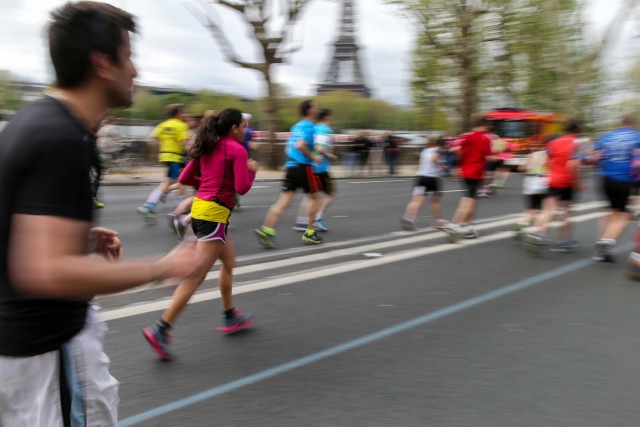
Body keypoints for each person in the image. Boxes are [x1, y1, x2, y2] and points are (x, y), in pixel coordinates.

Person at [0, 3, 198, 425]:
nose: (136, 71)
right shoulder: (62, 138)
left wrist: (77, 239)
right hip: (49, 350)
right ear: (102, 63)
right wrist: (162, 267)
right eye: (128, 57)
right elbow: (47, 273)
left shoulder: (33, 121)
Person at [143, 109, 258, 360]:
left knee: (229, 262)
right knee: (196, 276)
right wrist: (251, 171)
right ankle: (161, 329)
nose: (245, 129)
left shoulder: (208, 145)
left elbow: (185, 177)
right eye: (242, 126)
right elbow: (242, 188)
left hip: (203, 209)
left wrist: (208, 182)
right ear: (234, 129)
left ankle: (230, 315)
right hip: (215, 214)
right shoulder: (238, 150)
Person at [255, 100, 323, 248]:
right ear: (310, 110)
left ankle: (266, 230)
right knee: (316, 199)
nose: (316, 109)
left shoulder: (295, 126)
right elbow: (300, 145)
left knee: (283, 202)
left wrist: (293, 159)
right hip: (304, 167)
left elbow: (288, 147)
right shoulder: (312, 127)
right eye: (315, 107)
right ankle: (310, 233)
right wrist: (314, 157)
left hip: (291, 166)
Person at [523, 120, 583, 253]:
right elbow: (573, 165)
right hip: (567, 181)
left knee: (548, 210)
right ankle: (562, 242)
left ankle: (538, 234)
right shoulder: (575, 143)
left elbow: (547, 161)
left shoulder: (554, 142)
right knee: (566, 211)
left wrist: (552, 173)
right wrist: (578, 183)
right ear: (577, 130)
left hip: (551, 179)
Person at [589, 114, 640, 262]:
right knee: (623, 215)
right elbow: (638, 163)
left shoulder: (606, 136)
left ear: (620, 123)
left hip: (605, 179)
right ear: (632, 124)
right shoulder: (636, 137)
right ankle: (607, 240)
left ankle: (601, 245)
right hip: (623, 179)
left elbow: (593, 158)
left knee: (610, 210)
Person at [441, 115, 494, 241]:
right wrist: (498, 156)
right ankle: (454, 224)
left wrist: (461, 160)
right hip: (476, 172)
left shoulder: (466, 136)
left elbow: (454, 148)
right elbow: (490, 157)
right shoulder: (484, 138)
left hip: (464, 171)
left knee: (472, 199)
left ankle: (470, 228)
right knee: (469, 201)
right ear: (485, 125)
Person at [137, 103, 189, 220]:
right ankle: (149, 205)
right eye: (184, 112)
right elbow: (184, 144)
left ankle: (181, 206)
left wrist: (166, 143)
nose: (186, 114)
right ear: (178, 113)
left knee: (183, 181)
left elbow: (153, 137)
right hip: (176, 157)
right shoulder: (181, 125)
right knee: (167, 183)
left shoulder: (163, 124)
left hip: (166, 156)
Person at [293, 108, 338, 232]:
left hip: (310, 165)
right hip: (321, 167)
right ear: (327, 117)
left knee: (310, 195)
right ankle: (317, 218)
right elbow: (319, 146)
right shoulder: (326, 130)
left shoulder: (314, 127)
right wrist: (330, 155)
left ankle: (301, 221)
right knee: (331, 193)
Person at [401, 136, 448, 230]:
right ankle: (437, 221)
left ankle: (408, 217)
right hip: (432, 178)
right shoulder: (439, 150)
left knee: (416, 200)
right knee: (436, 201)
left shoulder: (425, 151)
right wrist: (441, 166)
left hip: (421, 177)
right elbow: (433, 158)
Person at [512, 136, 552, 239]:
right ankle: (537, 234)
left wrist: (526, 173)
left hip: (529, 184)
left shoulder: (531, 155)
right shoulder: (548, 155)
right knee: (544, 210)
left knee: (530, 210)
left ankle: (521, 223)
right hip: (542, 183)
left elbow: (521, 168)